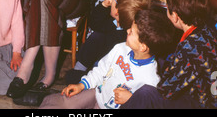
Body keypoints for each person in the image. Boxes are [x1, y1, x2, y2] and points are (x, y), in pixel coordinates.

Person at [39, 7, 176, 109]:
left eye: (132, 32)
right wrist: (82, 85)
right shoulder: (120, 48)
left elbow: (143, 105)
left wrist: (130, 99)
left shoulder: (151, 80)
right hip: (97, 93)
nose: (127, 30)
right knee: (57, 103)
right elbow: (101, 69)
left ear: (143, 47)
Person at [121, 0, 217, 109]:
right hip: (209, 95)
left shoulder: (189, 48)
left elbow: (166, 90)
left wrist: (131, 97)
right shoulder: (208, 30)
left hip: (201, 104)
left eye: (167, 9)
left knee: (145, 93)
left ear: (175, 16)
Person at [66, 0, 156, 84]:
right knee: (96, 36)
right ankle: (80, 68)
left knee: (72, 78)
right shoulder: (114, 23)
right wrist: (103, 5)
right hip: (101, 60)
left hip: (107, 69)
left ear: (116, 12)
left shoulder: (123, 38)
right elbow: (94, 23)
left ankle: (82, 74)